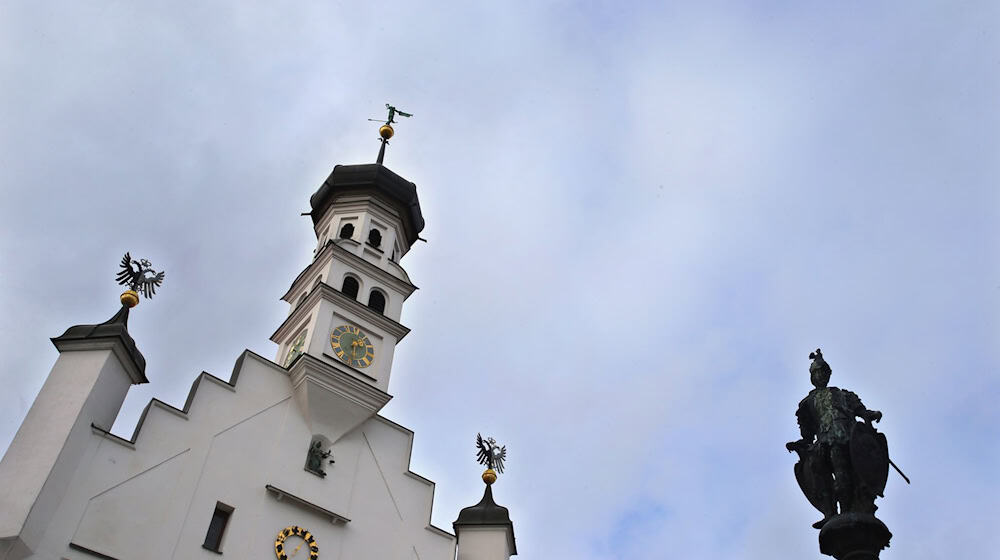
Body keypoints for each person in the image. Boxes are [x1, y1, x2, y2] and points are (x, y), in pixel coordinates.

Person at [787, 349, 882, 529]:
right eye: (816, 373)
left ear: (828, 374)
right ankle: (829, 511)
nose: (819, 376)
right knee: (818, 470)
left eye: (822, 372)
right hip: (823, 441)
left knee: (844, 471)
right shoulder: (807, 403)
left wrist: (871, 414)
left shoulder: (843, 395)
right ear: (812, 378)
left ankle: (848, 509)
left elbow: (861, 411)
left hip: (847, 436)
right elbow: (806, 433)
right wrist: (799, 444)